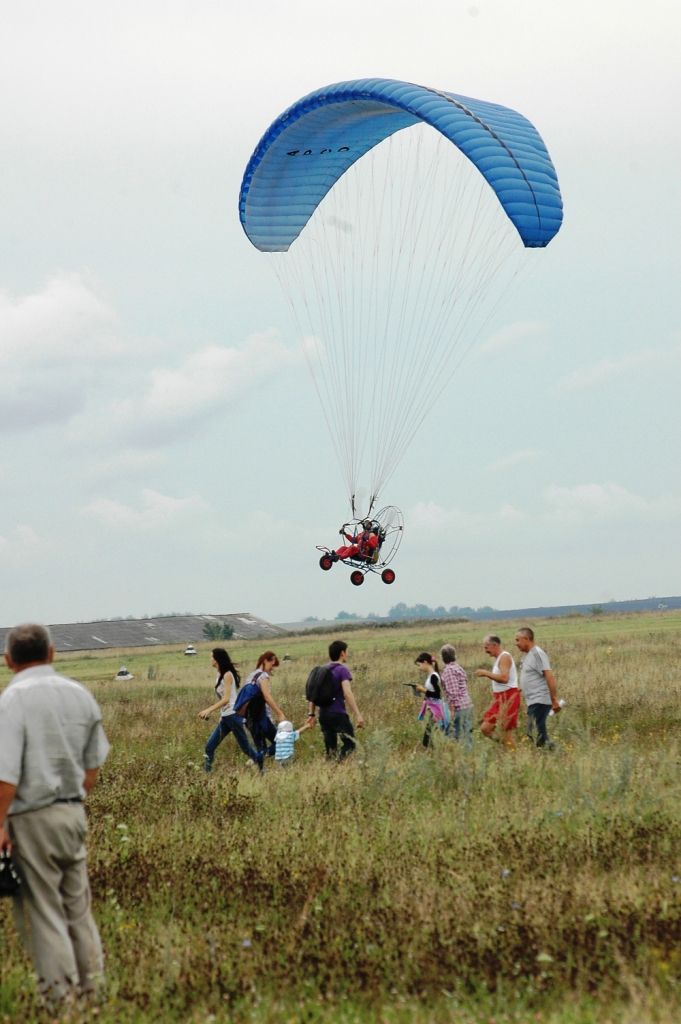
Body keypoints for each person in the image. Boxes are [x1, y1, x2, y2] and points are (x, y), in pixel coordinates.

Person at [0, 623, 110, 1011]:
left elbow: (5, 778)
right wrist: (74, 799)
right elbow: (93, 766)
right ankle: (94, 995)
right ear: (52, 653)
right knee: (78, 910)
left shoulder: (12, 700)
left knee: (44, 914)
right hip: (72, 812)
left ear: (9, 660)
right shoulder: (79, 694)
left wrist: (0, 825)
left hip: (31, 817)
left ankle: (62, 1004)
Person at [199, 648, 263, 771]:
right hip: (226, 717)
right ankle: (206, 774)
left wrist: (209, 710)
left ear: (217, 659)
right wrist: (221, 715)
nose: (210, 659)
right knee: (209, 747)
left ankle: (261, 766)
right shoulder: (219, 675)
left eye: (211, 657)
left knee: (246, 748)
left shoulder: (227, 675)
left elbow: (226, 699)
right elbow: (223, 699)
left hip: (234, 715)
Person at [307, 640, 364, 760]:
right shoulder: (342, 670)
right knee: (351, 744)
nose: (347, 654)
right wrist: (358, 714)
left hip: (323, 715)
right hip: (338, 714)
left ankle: (331, 771)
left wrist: (311, 714)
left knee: (330, 750)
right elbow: (347, 693)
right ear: (342, 653)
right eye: (346, 652)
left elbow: (313, 693)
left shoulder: (322, 670)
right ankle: (339, 763)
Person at [515, 627, 562, 748]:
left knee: (535, 733)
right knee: (535, 732)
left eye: (518, 640)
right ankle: (551, 754)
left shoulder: (537, 654)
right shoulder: (526, 656)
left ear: (526, 639)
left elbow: (549, 676)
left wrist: (554, 700)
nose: (516, 644)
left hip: (540, 700)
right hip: (533, 701)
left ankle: (556, 754)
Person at [474, 635, 520, 749]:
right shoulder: (498, 658)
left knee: (506, 732)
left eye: (486, 648)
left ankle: (512, 753)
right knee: (485, 729)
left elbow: (505, 678)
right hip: (500, 698)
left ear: (495, 645)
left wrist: (486, 673)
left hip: (509, 697)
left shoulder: (504, 657)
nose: (485, 651)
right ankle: (507, 747)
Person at [243, 651, 286, 759]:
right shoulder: (263, 676)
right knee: (281, 742)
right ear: (265, 661)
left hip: (249, 719)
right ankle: (262, 756)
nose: (272, 668)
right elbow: (267, 697)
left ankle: (259, 765)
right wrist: (280, 713)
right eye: (272, 664)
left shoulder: (251, 676)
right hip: (262, 718)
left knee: (260, 749)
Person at [413, 652, 450, 747]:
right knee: (432, 736)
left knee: (428, 739)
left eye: (419, 665)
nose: (419, 667)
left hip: (437, 711)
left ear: (425, 662)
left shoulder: (434, 676)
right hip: (434, 709)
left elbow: (437, 694)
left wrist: (423, 690)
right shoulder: (431, 676)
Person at [440, 644, 473, 746]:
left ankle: (463, 757)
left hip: (459, 707)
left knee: (458, 736)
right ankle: (469, 756)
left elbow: (453, 692)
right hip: (466, 704)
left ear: (443, 657)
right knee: (467, 734)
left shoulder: (449, 670)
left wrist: (452, 710)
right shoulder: (458, 667)